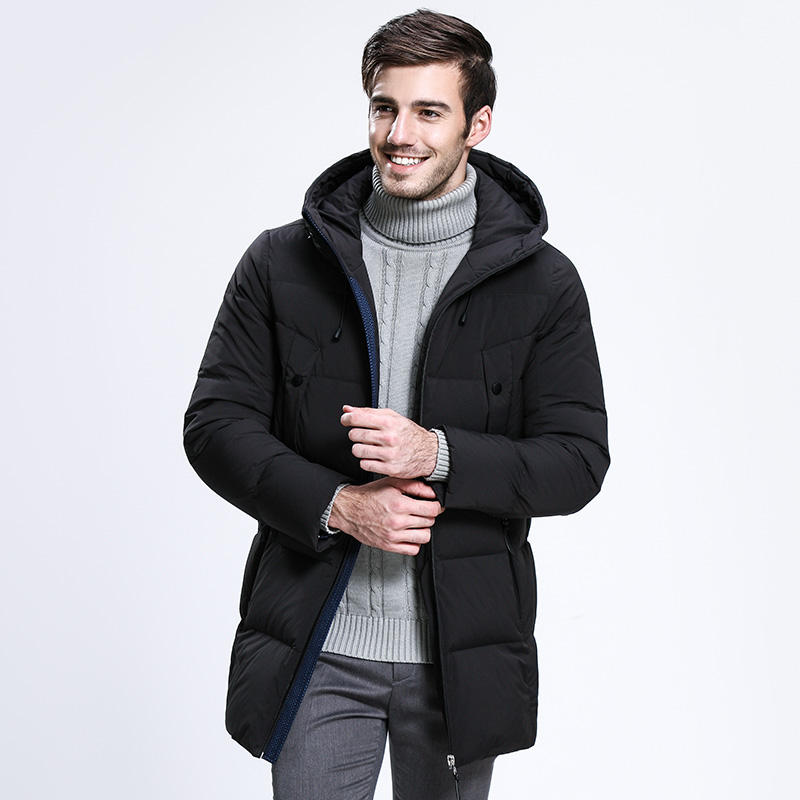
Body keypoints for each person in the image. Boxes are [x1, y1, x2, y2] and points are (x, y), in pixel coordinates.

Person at [183, 9, 610, 800]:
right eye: (385, 107)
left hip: (459, 658)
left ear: (478, 124)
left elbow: (578, 463)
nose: (400, 134)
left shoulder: (545, 282)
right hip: (316, 645)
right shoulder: (280, 262)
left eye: (429, 112)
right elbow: (215, 426)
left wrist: (436, 454)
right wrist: (340, 505)